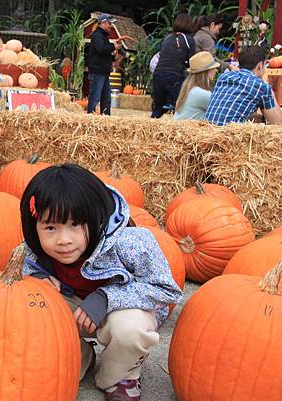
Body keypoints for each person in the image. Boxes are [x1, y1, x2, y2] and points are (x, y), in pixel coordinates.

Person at [20, 164, 182, 401]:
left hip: (121, 312)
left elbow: (166, 290)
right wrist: (38, 279)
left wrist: (107, 297)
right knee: (29, 306)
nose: (64, 240)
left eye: (75, 225)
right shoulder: (33, 250)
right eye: (51, 227)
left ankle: (118, 376)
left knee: (130, 329)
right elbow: (24, 270)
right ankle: (79, 357)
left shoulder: (131, 243)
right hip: (75, 309)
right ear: (35, 228)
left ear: (94, 218)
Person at [205, 45, 282, 126]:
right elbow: (277, 122)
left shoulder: (224, 77)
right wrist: (269, 90)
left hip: (209, 131)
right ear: (260, 65)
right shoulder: (260, 86)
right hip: (230, 135)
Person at [151, 13, 196, 118]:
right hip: (174, 75)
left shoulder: (167, 38)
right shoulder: (189, 40)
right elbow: (192, 61)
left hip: (157, 74)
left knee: (158, 108)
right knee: (179, 107)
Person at [87, 13, 121, 115]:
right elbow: (101, 49)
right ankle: (90, 118)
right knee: (95, 97)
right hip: (97, 71)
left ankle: (106, 118)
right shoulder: (97, 35)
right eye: (109, 23)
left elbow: (103, 53)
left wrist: (112, 56)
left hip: (103, 72)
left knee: (106, 99)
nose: (110, 26)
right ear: (103, 23)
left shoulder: (103, 36)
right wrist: (113, 46)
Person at [174, 52, 219, 121]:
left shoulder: (189, 90)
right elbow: (222, 108)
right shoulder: (200, 94)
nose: (215, 70)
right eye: (213, 68)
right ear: (206, 72)